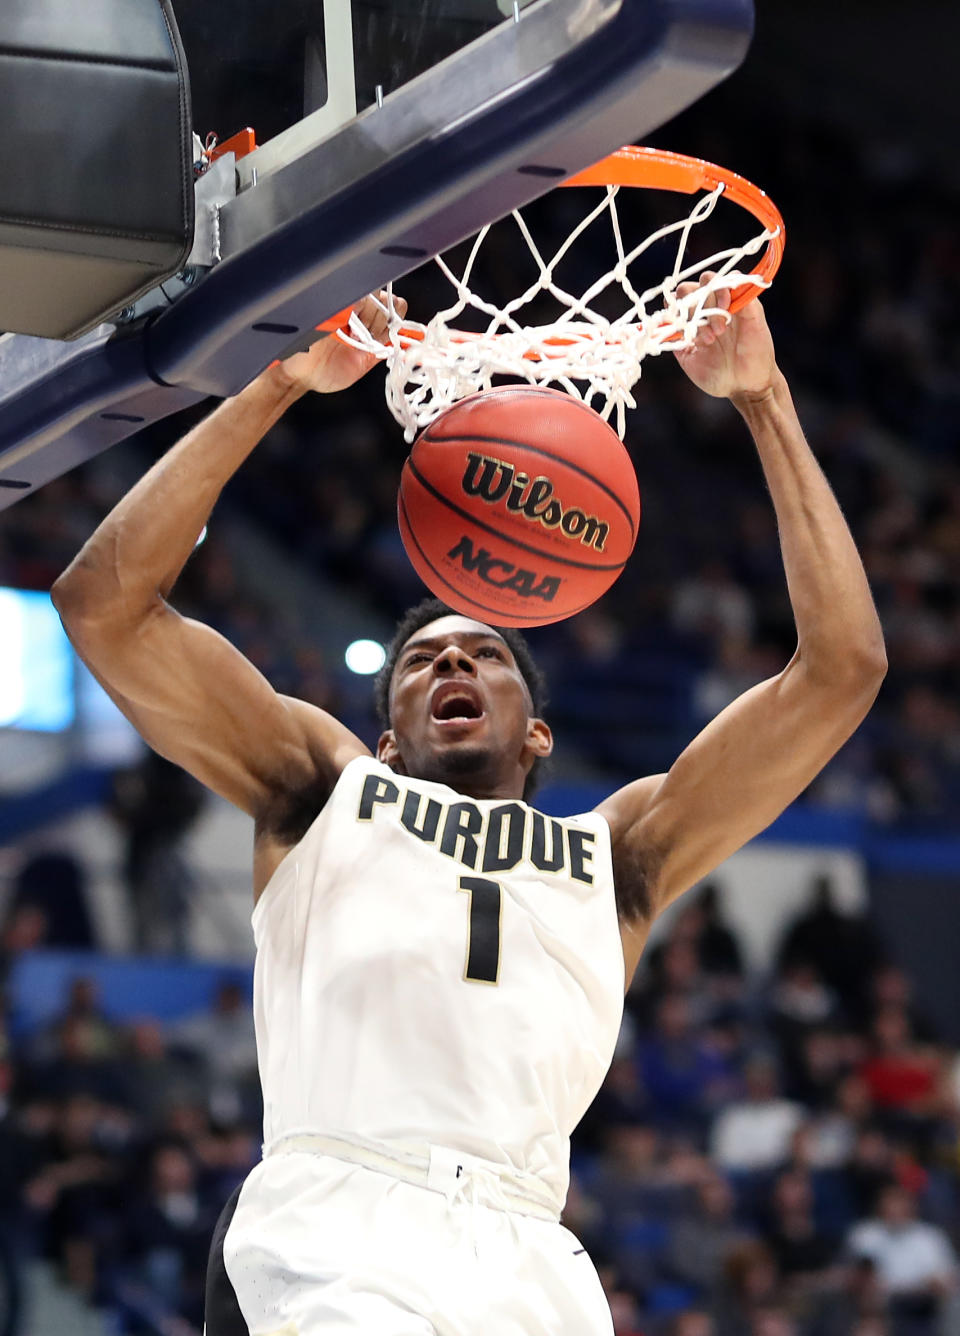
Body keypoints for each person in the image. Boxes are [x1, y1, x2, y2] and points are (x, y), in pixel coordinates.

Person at [50, 279, 887, 1335]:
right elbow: (106, 607)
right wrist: (277, 383)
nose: (453, 659)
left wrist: (765, 400)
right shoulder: (323, 787)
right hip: (340, 1217)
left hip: (527, 1253)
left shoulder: (620, 851)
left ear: (537, 730)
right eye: (423, 659)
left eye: (485, 654)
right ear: (389, 732)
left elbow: (842, 671)